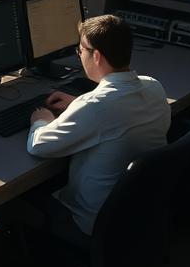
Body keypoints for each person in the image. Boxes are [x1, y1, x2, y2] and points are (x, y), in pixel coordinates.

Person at [25, 14, 170, 237]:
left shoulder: (94, 107)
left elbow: (38, 146)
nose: (79, 55)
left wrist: (41, 120)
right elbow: (116, 113)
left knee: (16, 202)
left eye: (80, 50)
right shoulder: (154, 87)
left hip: (89, 221)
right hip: (137, 213)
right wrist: (78, 105)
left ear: (97, 56)